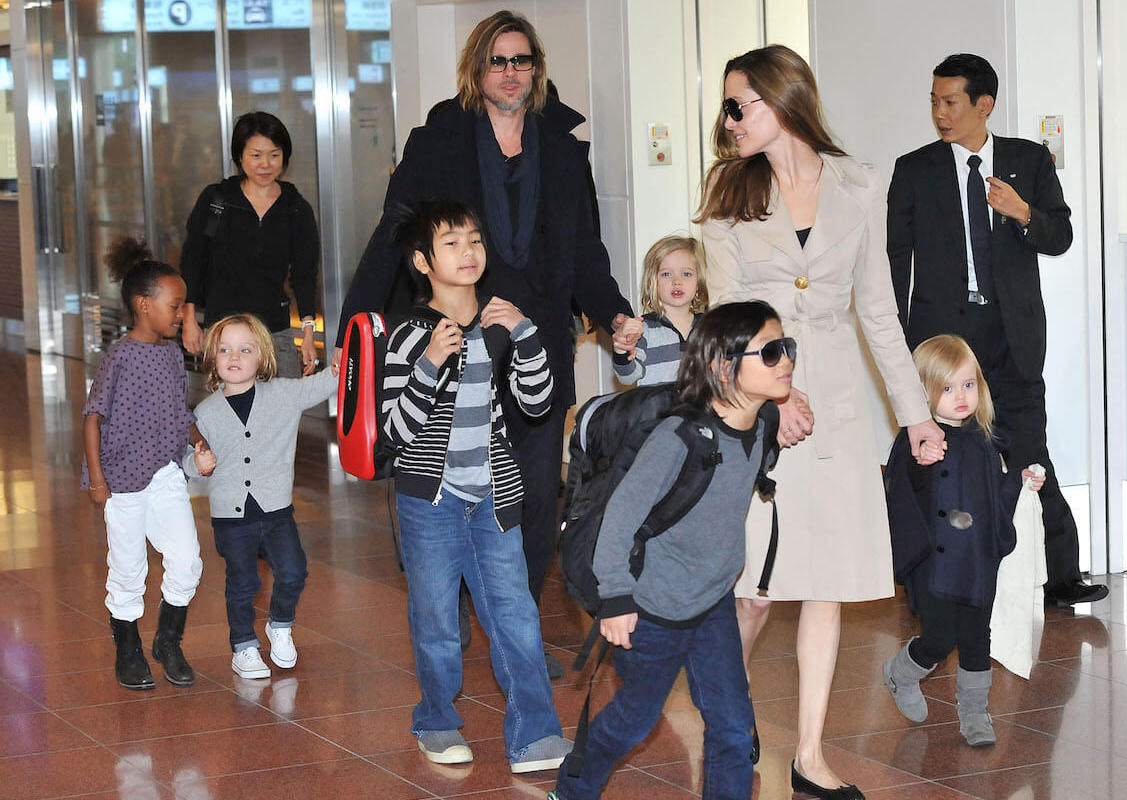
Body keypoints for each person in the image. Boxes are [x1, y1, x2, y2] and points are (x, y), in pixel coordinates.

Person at [335, 11, 640, 676]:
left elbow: (586, 249)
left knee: (532, 498)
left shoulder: (561, 150)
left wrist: (613, 314)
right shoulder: (440, 141)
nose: (511, 73)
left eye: (522, 60)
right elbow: (394, 233)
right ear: (478, 71)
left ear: (537, 69)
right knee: (455, 496)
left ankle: (517, 634)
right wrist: (353, 329)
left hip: (536, 348)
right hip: (456, 348)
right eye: (499, 61)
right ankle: (463, 611)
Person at [695, 45, 945, 799]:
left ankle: (809, 756)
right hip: (755, 405)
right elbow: (728, 319)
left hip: (835, 406)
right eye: (728, 107)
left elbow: (877, 310)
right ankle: (729, 733)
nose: (729, 120)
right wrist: (777, 393)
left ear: (783, 101)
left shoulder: (859, 185)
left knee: (826, 584)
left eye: (741, 104)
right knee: (754, 588)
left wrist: (915, 417)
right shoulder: (727, 196)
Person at [886, 53, 1107, 608]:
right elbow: (894, 258)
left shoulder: (1028, 160)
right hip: (943, 341)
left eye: (950, 101)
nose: (939, 112)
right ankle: (927, 577)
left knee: (1030, 448)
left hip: (1011, 332)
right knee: (936, 456)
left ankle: (1061, 576)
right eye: (934, 100)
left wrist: (1023, 212)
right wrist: (899, 337)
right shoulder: (914, 169)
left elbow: (1059, 236)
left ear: (984, 105)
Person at [550, 300, 792, 800]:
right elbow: (620, 517)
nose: (785, 360)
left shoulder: (762, 425)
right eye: (770, 352)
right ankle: (573, 789)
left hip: (712, 605)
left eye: (786, 348)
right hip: (650, 611)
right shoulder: (677, 438)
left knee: (731, 726)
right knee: (633, 723)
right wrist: (615, 598)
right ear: (726, 367)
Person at [380, 199, 570, 773]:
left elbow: (537, 404)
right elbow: (395, 430)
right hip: (429, 502)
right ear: (422, 261)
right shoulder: (410, 334)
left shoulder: (499, 322)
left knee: (515, 614)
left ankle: (535, 735)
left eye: (474, 240)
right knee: (437, 619)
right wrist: (431, 363)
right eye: (451, 243)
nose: (468, 251)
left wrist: (526, 333)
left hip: (493, 495)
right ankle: (436, 722)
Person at [882, 334, 1046, 746]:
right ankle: (902, 672)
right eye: (947, 388)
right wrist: (921, 461)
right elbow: (904, 488)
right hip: (935, 564)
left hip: (976, 560)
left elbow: (993, 498)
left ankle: (975, 712)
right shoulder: (917, 442)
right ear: (922, 393)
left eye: (968, 385)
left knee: (976, 637)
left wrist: (1020, 485)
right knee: (940, 637)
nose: (960, 396)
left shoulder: (985, 441)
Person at [81, 237, 208, 691]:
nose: (181, 315)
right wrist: (97, 479)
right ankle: (128, 648)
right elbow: (93, 417)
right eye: (175, 306)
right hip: (122, 482)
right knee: (129, 567)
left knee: (187, 560)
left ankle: (168, 641)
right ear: (143, 305)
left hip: (164, 475)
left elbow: (180, 412)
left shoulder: (173, 356)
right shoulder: (119, 356)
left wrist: (199, 443)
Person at [184, 313, 338, 679]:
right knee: (243, 582)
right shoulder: (205, 413)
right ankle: (244, 646)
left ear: (263, 358)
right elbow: (186, 461)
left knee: (293, 571)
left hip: (276, 512)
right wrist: (198, 463)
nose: (233, 357)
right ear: (213, 359)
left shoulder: (283, 394)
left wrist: (345, 359)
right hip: (230, 517)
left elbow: (325, 382)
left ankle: (280, 625)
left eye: (245, 349)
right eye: (224, 350)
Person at [179, 111, 320, 378]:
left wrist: (308, 333)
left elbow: (304, 274)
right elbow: (194, 258)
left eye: (274, 155)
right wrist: (189, 318)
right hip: (223, 332)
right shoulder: (216, 201)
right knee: (230, 415)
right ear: (239, 157)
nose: (265, 164)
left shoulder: (296, 209)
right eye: (256, 155)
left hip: (274, 332)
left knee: (281, 414)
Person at [612, 235, 706, 387]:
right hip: (659, 410)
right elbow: (628, 378)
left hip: (700, 410)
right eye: (666, 274)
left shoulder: (709, 327)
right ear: (652, 283)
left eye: (686, 274)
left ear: (699, 283)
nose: (677, 281)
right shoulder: (644, 329)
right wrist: (622, 351)